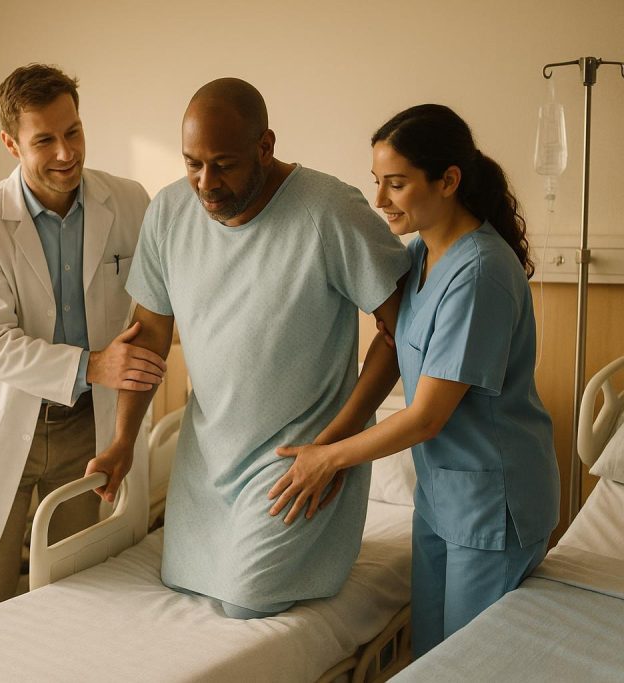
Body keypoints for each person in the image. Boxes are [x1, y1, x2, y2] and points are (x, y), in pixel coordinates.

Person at [85, 78, 410, 619]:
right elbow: (149, 337)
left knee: (245, 602)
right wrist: (124, 440)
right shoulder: (168, 213)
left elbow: (401, 331)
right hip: (206, 462)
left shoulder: (328, 210)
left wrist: (334, 447)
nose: (205, 183)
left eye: (224, 164)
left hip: (299, 464)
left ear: (266, 146)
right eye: (192, 164)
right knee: (189, 588)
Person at [272, 104, 560, 655]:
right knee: (430, 654)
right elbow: (390, 346)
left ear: (448, 180)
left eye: (397, 185)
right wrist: (331, 433)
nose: (379, 201)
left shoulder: (480, 275)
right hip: (444, 493)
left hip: (493, 503)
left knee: (471, 665)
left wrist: (330, 459)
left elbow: (428, 415)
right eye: (377, 182)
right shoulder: (422, 252)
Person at [0, 63, 162, 613]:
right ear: (10, 144)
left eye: (74, 132)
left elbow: (160, 302)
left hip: (86, 430)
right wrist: (93, 364)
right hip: (5, 422)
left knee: (74, 592)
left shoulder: (131, 202)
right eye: (44, 140)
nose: (66, 153)